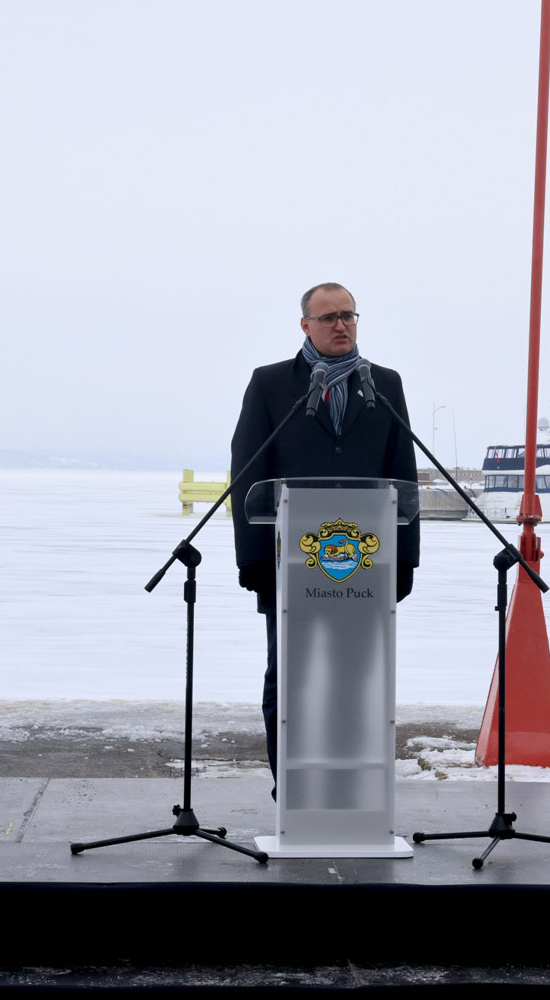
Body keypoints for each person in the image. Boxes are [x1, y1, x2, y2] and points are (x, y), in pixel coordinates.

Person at [229, 282, 420, 794]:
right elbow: (247, 471)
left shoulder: (383, 384)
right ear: (305, 326)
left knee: (357, 679)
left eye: (349, 316)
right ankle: (291, 789)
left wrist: (405, 562)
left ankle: (350, 788)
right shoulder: (271, 384)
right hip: (290, 564)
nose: (341, 325)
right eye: (330, 317)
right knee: (291, 676)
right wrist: (252, 560)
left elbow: (403, 472)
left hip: (366, 566)